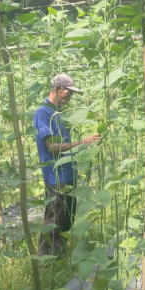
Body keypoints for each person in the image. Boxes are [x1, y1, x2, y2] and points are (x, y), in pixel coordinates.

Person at [33, 73, 100, 256]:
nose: (70, 97)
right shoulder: (43, 113)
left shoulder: (61, 114)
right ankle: (46, 258)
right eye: (68, 92)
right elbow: (52, 147)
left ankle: (59, 256)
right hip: (56, 176)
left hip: (69, 173)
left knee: (66, 219)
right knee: (54, 219)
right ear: (57, 89)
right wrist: (82, 142)